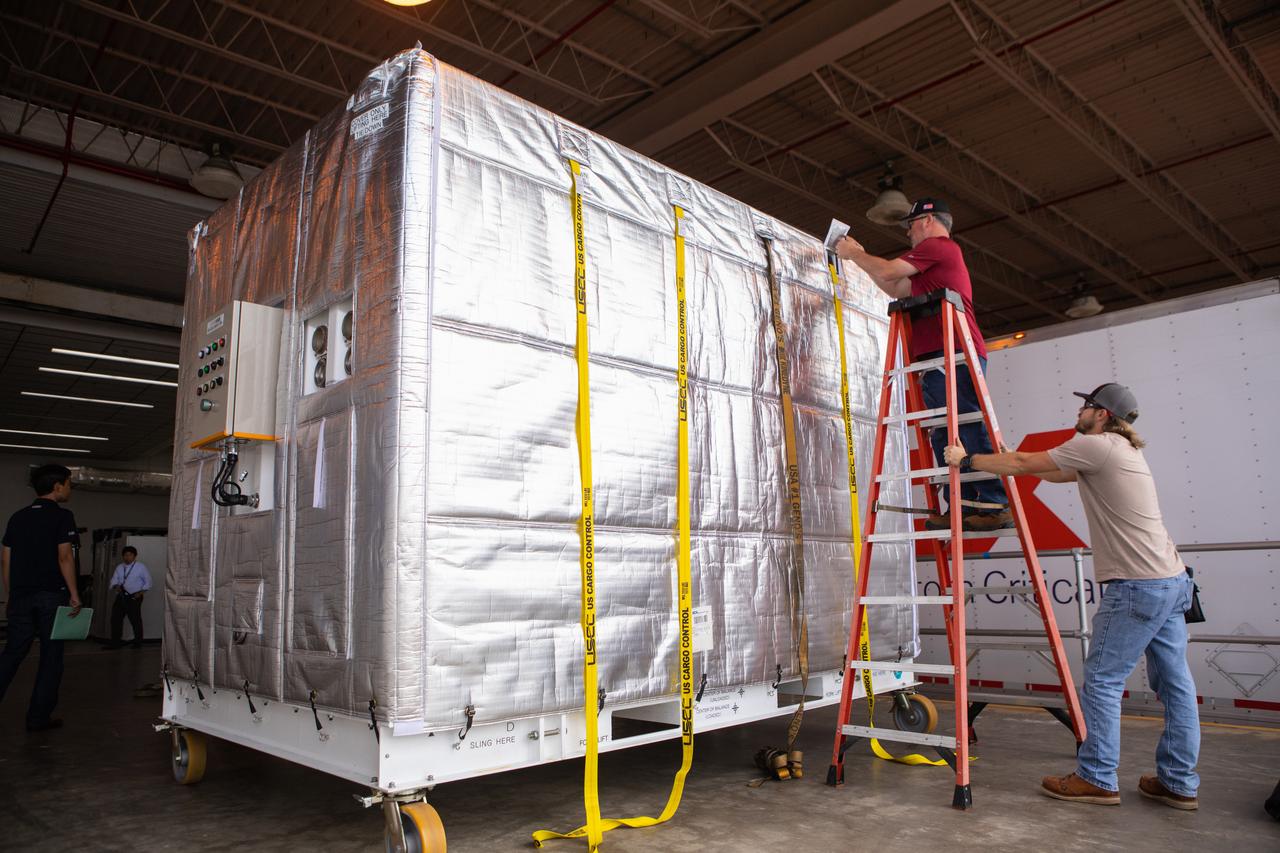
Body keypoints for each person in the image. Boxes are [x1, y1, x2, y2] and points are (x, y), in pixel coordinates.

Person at [942, 383, 1199, 810]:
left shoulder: (1097, 446)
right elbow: (1047, 470)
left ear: (1102, 415)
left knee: (1101, 680)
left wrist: (965, 460)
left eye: (1088, 405)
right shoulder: (1121, 451)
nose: (1080, 410)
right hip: (1172, 581)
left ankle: (1097, 777)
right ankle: (1179, 782)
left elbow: (1026, 462)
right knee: (1176, 687)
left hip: (1136, 585)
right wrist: (1005, 459)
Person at [835, 197, 1010, 531]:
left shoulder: (941, 248)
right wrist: (858, 258)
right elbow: (893, 286)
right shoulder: (931, 264)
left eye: (911, 225)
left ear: (928, 221)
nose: (909, 233)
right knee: (945, 431)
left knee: (966, 424)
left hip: (954, 348)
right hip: (937, 353)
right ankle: (962, 503)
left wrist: (855, 255)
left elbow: (889, 271)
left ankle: (992, 500)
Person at [0, 464, 82, 732]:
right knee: (51, 657)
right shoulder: (62, 517)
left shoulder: (17, 517)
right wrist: (74, 594)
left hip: (21, 596)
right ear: (57, 486)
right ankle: (37, 719)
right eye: (69, 483)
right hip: (50, 596)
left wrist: (11, 594)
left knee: (12, 653)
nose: (69, 488)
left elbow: (6, 559)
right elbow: (65, 556)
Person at [105, 545, 151, 650]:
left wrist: (140, 593)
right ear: (123, 556)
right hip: (121, 596)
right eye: (125, 555)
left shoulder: (141, 567)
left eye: (130, 555)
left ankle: (138, 642)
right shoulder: (119, 567)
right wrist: (116, 586)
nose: (127, 557)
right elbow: (114, 580)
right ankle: (115, 642)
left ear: (135, 556)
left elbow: (148, 582)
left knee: (135, 619)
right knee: (115, 619)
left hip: (134, 596)